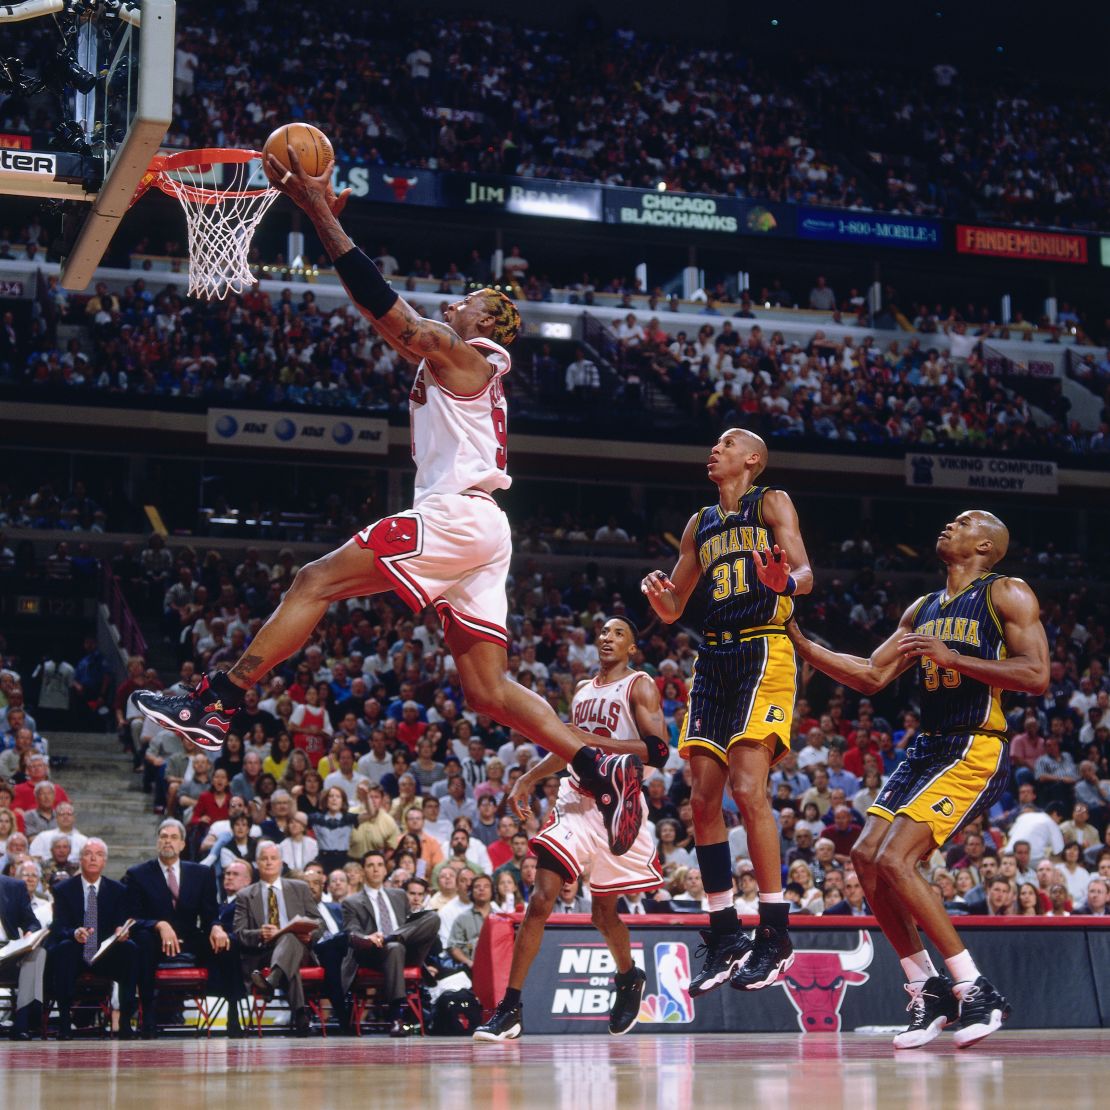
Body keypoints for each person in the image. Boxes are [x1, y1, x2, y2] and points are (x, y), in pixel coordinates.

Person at [132, 146, 643, 859]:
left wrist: (316, 212)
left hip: (458, 515)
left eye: (469, 299)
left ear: (491, 323)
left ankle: (217, 700)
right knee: (489, 692)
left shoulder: (471, 356)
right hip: (483, 527)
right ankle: (598, 764)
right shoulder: (467, 367)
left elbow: (391, 316)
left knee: (315, 580)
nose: (456, 300)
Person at [786, 509, 1049, 1049]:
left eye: (963, 523)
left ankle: (976, 990)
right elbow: (871, 675)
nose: (948, 526)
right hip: (928, 746)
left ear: (986, 546)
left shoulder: (1007, 593)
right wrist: (797, 637)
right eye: (949, 521)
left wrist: (956, 658)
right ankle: (924, 987)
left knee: (895, 859)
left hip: (975, 743)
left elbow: (1036, 674)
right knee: (864, 856)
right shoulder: (923, 607)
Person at [641, 428, 813, 996]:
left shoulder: (772, 501)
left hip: (765, 644)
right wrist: (660, 599)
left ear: (753, 459)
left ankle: (775, 931)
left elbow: (806, 576)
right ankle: (722, 931)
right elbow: (674, 608)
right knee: (702, 796)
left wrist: (782, 579)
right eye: (712, 442)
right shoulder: (699, 523)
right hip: (714, 654)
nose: (714, 448)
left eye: (727, 443)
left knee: (747, 786)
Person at [475, 616, 671, 1040]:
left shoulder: (640, 684)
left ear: (632, 648)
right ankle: (510, 1008)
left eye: (619, 632)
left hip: (619, 804)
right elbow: (569, 745)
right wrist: (530, 777)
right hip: (574, 800)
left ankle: (628, 975)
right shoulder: (582, 689)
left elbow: (658, 751)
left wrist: (598, 749)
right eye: (603, 632)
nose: (607, 637)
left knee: (603, 913)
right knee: (541, 899)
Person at [122, 819, 226, 1038]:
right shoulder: (138, 874)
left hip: (189, 938)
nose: (168, 841)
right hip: (153, 940)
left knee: (229, 942)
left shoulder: (202, 873)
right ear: (158, 842)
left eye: (173, 837)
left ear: (182, 845)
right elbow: (131, 919)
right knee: (142, 943)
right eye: (163, 837)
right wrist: (159, 925)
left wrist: (216, 927)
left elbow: (209, 915)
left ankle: (234, 1012)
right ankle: (148, 1015)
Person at [340, 850, 439, 1037]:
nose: (376, 869)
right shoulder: (351, 902)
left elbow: (410, 925)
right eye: (370, 865)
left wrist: (396, 935)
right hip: (373, 953)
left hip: (405, 948)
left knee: (433, 917)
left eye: (379, 865)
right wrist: (368, 938)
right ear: (363, 871)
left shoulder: (399, 895)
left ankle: (393, 937)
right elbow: (350, 933)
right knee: (394, 947)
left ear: (385, 870)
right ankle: (396, 1016)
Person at [47, 839, 139, 1039]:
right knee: (63, 948)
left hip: (105, 953)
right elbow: (59, 926)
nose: (93, 858)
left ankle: (124, 1022)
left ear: (104, 861)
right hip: (76, 952)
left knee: (130, 949)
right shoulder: (64, 889)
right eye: (88, 853)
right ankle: (64, 1022)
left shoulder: (118, 890)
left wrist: (120, 932)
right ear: (80, 859)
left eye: (98, 854)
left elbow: (120, 922)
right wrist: (74, 933)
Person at [235, 841, 323, 1037]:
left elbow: (319, 922)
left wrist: (310, 935)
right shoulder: (245, 895)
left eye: (273, 858)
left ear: (281, 863)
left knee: (290, 937)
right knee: (288, 963)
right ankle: (301, 1015)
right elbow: (239, 933)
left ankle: (270, 982)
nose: (268, 862)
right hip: (263, 952)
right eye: (264, 859)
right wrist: (259, 933)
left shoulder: (299, 888)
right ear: (257, 863)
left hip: (299, 948)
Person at [0, 867, 48, 1039]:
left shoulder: (14, 886)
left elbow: (32, 922)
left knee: (38, 953)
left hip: (8, 951)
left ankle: (22, 1022)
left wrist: (30, 933)